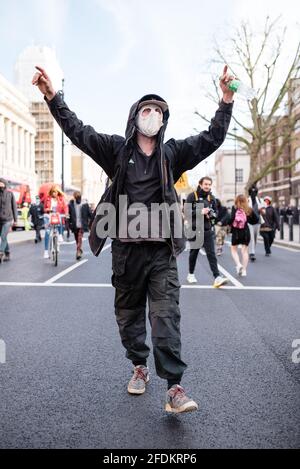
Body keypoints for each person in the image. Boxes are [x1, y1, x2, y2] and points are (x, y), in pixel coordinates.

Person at [32, 64, 234, 413]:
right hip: (125, 252)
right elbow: (78, 131)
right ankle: (138, 366)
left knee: (166, 316)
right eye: (146, 110)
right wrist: (53, 96)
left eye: (158, 110)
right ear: (136, 117)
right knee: (128, 318)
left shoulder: (172, 154)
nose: (152, 115)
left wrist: (226, 101)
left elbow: (211, 138)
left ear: (163, 118)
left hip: (161, 253)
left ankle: (175, 388)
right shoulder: (116, 151)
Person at [185, 177, 228, 287]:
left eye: (209, 184)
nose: (207, 186)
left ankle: (217, 277)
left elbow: (216, 214)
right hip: (195, 230)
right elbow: (186, 212)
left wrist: (211, 214)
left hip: (208, 230)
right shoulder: (192, 196)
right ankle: (191, 274)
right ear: (200, 184)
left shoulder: (211, 198)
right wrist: (200, 211)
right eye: (205, 184)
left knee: (211, 254)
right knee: (194, 253)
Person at [229, 194, 259, 277]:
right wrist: (249, 221)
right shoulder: (249, 209)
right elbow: (256, 220)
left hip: (236, 232)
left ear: (237, 200)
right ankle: (244, 270)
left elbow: (231, 219)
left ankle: (238, 264)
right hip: (246, 232)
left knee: (233, 250)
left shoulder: (234, 208)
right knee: (245, 251)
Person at [43, 184, 68, 259]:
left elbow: (65, 207)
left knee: (60, 219)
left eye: (56, 192)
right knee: (47, 232)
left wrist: (66, 214)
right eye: (53, 192)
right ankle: (46, 251)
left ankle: (60, 235)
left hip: (57, 216)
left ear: (58, 192)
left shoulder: (61, 199)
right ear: (51, 192)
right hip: (49, 216)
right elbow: (44, 208)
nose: (55, 193)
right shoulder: (47, 199)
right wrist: (47, 210)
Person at [68, 191, 92, 260]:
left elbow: (90, 214)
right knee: (76, 239)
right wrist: (69, 224)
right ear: (75, 198)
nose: (78, 199)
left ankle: (78, 251)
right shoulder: (71, 204)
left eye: (79, 197)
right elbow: (69, 214)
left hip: (82, 224)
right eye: (76, 198)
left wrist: (92, 222)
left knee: (79, 238)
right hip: (75, 225)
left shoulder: (85, 204)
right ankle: (79, 249)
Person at [0, 178, 17, 263]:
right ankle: (7, 253)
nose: (0, 184)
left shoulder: (10, 194)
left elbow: (14, 207)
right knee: (3, 237)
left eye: (1, 183)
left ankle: (1, 252)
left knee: (3, 236)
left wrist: (16, 220)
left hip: (8, 219)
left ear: (5, 184)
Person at [247, 185, 262, 262]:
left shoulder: (259, 200)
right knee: (251, 238)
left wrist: (262, 210)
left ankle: (252, 250)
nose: (253, 193)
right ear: (249, 192)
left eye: (254, 192)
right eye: (252, 192)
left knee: (255, 238)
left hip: (257, 221)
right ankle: (252, 253)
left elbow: (263, 211)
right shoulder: (247, 200)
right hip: (249, 222)